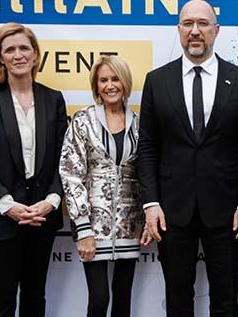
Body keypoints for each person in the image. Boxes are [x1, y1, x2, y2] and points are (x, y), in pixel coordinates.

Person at [136, 0, 238, 316]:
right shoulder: (157, 81)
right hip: (171, 211)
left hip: (226, 210)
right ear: (178, 30)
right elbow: (148, 146)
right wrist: (151, 204)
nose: (195, 31)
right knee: (177, 300)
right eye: (187, 24)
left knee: (225, 300)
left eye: (203, 24)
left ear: (216, 30)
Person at [0, 22, 68, 317]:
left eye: (24, 48)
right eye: (9, 49)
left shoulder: (53, 99)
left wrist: (51, 202)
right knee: (2, 296)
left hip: (42, 216)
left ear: (36, 55)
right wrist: (8, 205)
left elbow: (64, 160)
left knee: (36, 294)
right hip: (1, 218)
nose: (18, 54)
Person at [59, 56, 143, 317]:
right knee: (98, 299)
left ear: (125, 83)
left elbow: (147, 174)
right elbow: (71, 173)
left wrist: (147, 220)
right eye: (103, 80)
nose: (110, 85)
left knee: (123, 299)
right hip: (92, 226)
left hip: (130, 225)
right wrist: (82, 228)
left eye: (115, 79)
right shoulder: (83, 120)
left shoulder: (139, 123)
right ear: (96, 86)